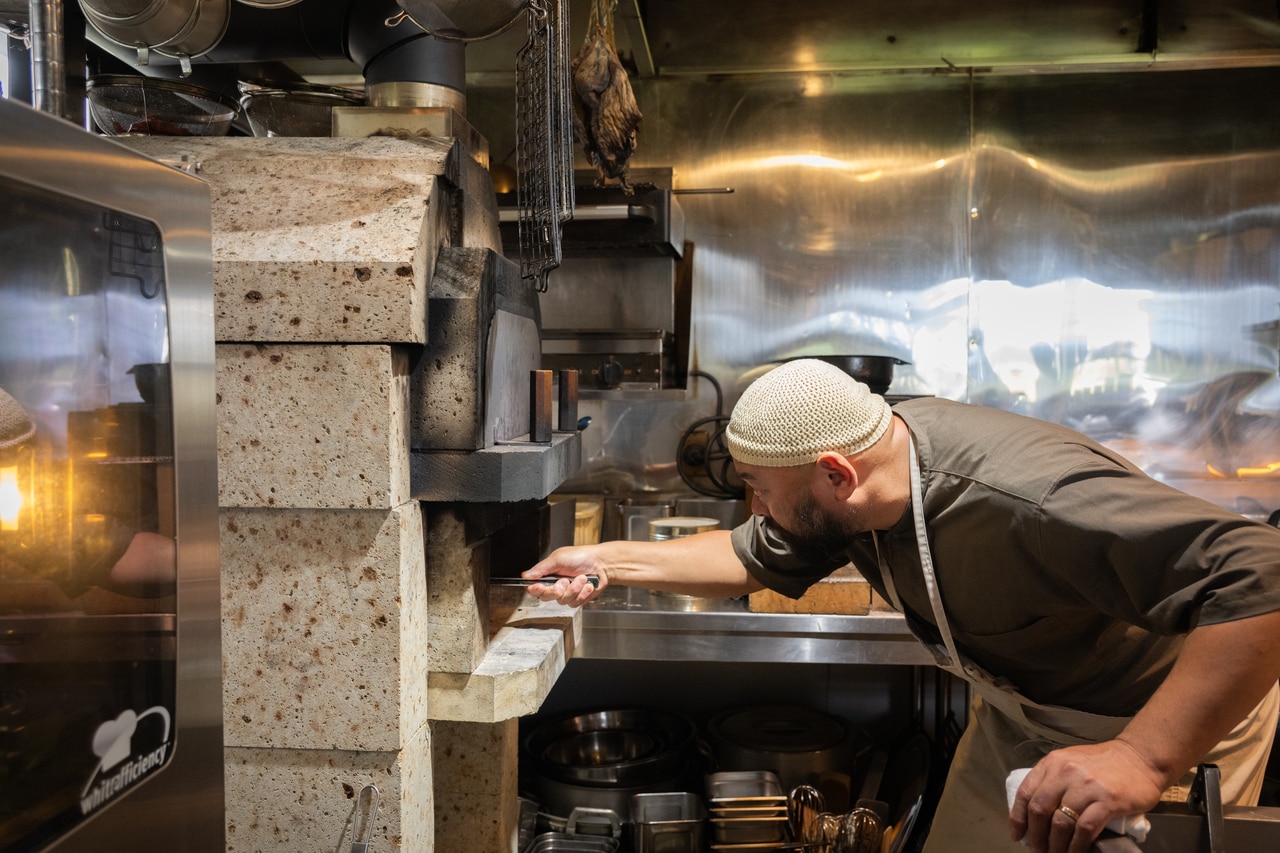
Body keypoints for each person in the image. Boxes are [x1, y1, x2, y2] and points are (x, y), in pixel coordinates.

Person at [526, 358, 1280, 853]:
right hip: (1020, 711)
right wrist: (604, 561)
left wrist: (1142, 757)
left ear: (835, 474)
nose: (753, 504)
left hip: (1153, 715)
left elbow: (1261, 578)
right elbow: (746, 553)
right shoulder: (859, 482)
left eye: (759, 487)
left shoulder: (1028, 498)